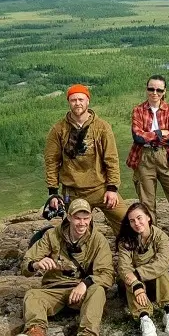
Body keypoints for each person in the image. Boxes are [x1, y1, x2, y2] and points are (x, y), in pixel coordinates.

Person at [15, 199, 113, 336]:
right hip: (54, 288)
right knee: (32, 295)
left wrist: (85, 283)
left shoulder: (98, 240)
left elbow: (107, 274)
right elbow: (26, 264)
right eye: (77, 218)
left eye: (85, 218)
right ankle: (36, 332)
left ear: (90, 218)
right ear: (69, 217)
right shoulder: (51, 236)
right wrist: (36, 264)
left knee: (98, 290)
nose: (82, 223)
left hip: (81, 291)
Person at [44, 83, 124, 236]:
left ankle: (127, 248)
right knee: (78, 230)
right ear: (69, 102)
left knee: (126, 221)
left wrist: (112, 188)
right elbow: (51, 161)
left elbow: (111, 159)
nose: (77, 103)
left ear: (88, 101)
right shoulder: (58, 129)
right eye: (73, 100)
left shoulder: (102, 127)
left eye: (81, 99)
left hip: (100, 188)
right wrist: (53, 192)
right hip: (72, 191)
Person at [115, 201, 169, 336]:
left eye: (139, 218)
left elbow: (163, 261)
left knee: (162, 270)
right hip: (135, 285)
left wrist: (138, 273)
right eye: (132, 221)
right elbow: (124, 267)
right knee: (128, 279)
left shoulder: (161, 236)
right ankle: (144, 316)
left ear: (148, 217)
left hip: (155, 282)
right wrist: (136, 284)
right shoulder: (125, 241)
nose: (136, 223)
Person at [128, 75, 169, 216]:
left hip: (165, 156)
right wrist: (161, 133)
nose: (155, 93)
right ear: (146, 89)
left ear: (164, 91)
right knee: (147, 204)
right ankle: (152, 236)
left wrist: (149, 135)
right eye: (151, 89)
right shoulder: (138, 110)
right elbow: (138, 138)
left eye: (159, 90)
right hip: (144, 158)